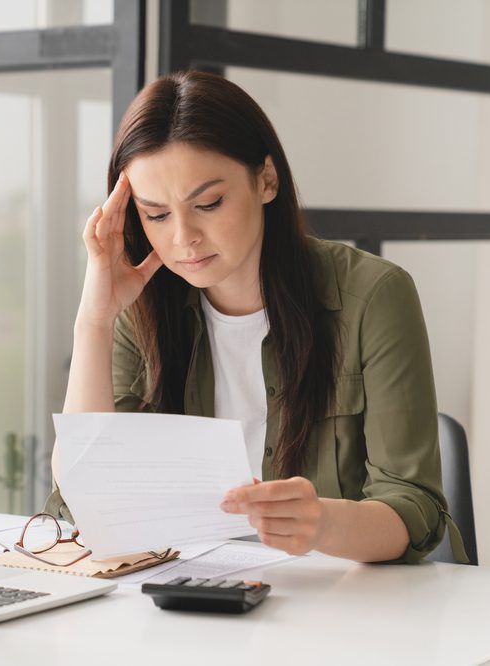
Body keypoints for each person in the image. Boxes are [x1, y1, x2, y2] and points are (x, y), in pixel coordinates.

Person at [44, 70, 467, 564]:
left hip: (353, 594)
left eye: (208, 203)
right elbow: (82, 498)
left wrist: (322, 523)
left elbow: (416, 508)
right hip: (199, 590)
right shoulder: (140, 307)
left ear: (266, 179)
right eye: (156, 214)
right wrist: (94, 321)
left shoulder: (372, 296)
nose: (183, 237)